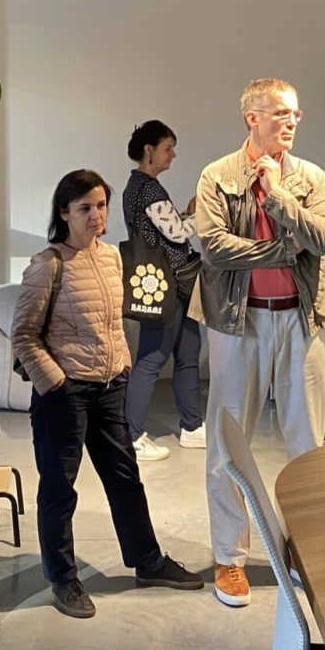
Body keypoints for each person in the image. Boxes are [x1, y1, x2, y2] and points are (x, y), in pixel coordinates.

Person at [12, 169, 205, 618]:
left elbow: (113, 324)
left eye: (101, 206)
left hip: (109, 386)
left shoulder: (113, 258)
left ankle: (148, 561)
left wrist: (121, 364)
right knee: (59, 488)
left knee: (125, 479)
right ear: (64, 213)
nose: (96, 215)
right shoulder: (47, 264)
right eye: (85, 208)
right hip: (65, 393)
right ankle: (63, 578)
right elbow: (23, 335)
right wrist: (55, 381)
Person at [194, 78, 325, 610]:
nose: (292, 121)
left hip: (301, 320)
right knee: (228, 442)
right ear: (251, 117)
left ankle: (305, 552)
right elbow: (213, 248)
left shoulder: (309, 177)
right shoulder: (217, 175)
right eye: (281, 112)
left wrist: (279, 194)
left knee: (307, 445)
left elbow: (324, 239)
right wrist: (282, 251)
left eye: (296, 113)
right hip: (238, 322)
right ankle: (229, 557)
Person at [123, 120, 205, 463]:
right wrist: (202, 214)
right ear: (149, 150)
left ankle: (192, 426)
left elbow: (166, 228)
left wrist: (187, 214)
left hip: (168, 284)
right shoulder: (149, 189)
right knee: (153, 357)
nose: (173, 155)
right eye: (168, 148)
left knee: (187, 352)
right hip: (170, 284)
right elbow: (177, 234)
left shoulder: (136, 187)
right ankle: (132, 435)